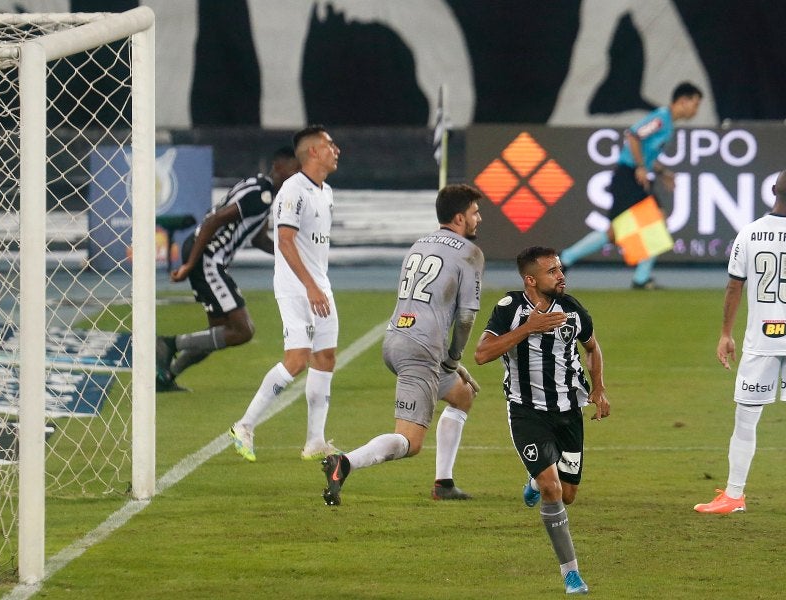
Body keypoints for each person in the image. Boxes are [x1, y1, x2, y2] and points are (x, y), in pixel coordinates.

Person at [320, 183, 485, 505]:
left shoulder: (418, 245)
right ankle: (345, 463)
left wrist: (445, 362)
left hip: (399, 337)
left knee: (462, 395)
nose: (480, 218)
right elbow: (466, 318)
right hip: (421, 351)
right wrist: (452, 358)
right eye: (475, 212)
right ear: (459, 217)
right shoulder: (470, 253)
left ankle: (444, 483)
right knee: (410, 440)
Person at [695, 168, 786, 516]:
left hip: (761, 338)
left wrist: (726, 333)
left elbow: (734, 286)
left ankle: (733, 495)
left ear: (773, 190)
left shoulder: (750, 234)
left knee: (746, 418)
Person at [474, 246, 610, 595]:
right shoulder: (510, 309)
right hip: (526, 411)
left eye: (560, 269)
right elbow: (482, 354)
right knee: (553, 489)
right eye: (552, 271)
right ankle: (571, 574)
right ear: (531, 279)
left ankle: (534, 483)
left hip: (568, 413)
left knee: (567, 494)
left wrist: (599, 389)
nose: (561, 275)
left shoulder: (573, 309)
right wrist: (528, 328)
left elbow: (593, 348)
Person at [228, 125, 340, 462]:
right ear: (313, 152)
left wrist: (317, 285)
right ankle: (244, 425)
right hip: (296, 286)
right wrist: (309, 286)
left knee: (326, 357)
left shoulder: (326, 192)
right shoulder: (293, 191)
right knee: (297, 359)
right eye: (330, 144)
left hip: (319, 284)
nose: (337, 149)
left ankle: (315, 441)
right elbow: (285, 241)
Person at [155, 147, 300, 392]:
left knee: (217, 334)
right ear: (278, 166)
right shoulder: (260, 195)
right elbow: (214, 220)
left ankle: (166, 376)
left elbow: (258, 239)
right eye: (294, 169)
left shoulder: (263, 192)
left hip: (206, 256)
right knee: (243, 331)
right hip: (208, 258)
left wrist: (293, 256)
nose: (296, 176)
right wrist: (190, 264)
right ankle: (169, 343)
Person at [559, 81, 703, 289]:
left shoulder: (668, 123)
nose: (696, 110)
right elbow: (634, 136)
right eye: (695, 104)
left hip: (632, 176)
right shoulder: (661, 119)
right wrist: (641, 167)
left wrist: (662, 172)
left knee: (634, 227)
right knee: (636, 226)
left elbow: (646, 151)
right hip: (628, 177)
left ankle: (568, 259)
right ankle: (569, 259)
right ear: (682, 101)